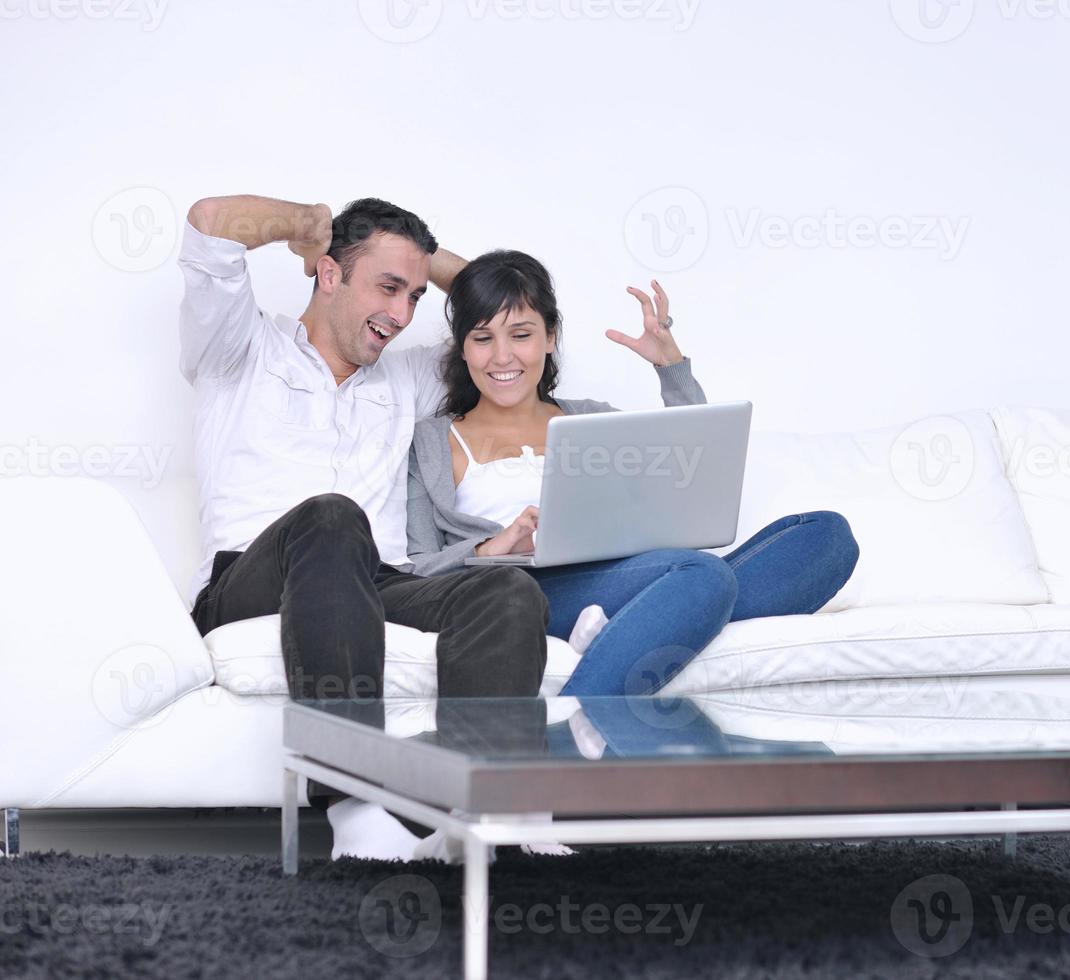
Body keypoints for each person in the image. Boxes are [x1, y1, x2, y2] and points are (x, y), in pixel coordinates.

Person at [179, 196, 549, 862]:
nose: (403, 315)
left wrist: (411, 255)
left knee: (505, 590)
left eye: (413, 295)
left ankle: (483, 816)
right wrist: (305, 223)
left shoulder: (405, 379)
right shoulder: (238, 347)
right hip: (254, 576)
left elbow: (496, 314)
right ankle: (356, 805)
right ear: (328, 274)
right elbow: (208, 224)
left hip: (372, 580)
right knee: (332, 514)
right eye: (387, 288)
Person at [405, 250, 859, 697]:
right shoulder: (431, 441)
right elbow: (418, 571)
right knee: (702, 575)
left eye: (520, 334)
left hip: (634, 573)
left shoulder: (593, 420)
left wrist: (671, 367)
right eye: (482, 338)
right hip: (526, 591)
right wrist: (492, 547)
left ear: (550, 336)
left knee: (827, 536)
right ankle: (582, 716)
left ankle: (628, 629)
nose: (502, 357)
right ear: (462, 347)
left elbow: (691, 473)